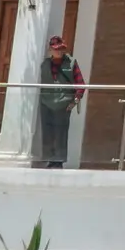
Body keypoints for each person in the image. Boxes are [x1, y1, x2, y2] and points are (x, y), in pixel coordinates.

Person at [37, 35, 84, 169]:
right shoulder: (44, 64)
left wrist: (75, 100)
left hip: (64, 104)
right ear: (51, 51)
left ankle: (59, 160)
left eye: (61, 49)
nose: (59, 52)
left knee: (61, 132)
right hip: (46, 102)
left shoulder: (71, 62)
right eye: (56, 50)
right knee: (47, 132)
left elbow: (80, 83)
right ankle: (49, 159)